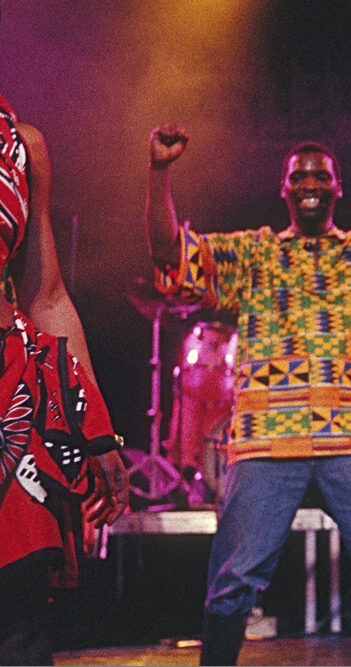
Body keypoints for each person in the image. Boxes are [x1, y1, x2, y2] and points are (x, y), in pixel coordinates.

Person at [146, 109, 351, 666]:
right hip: (269, 438)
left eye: (320, 176)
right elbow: (168, 255)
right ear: (284, 189)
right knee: (233, 582)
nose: (309, 185)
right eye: (298, 177)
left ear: (337, 187)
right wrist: (159, 174)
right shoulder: (254, 254)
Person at [0, 92, 128, 665]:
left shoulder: (21, 147)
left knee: (18, 622)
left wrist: (93, 423)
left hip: (9, 398)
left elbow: (46, 296)